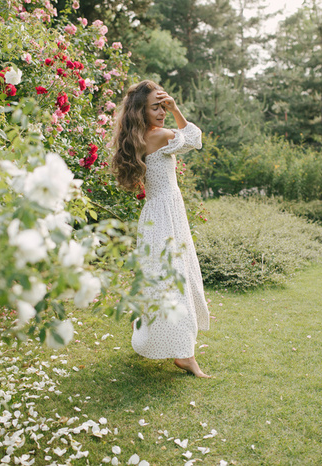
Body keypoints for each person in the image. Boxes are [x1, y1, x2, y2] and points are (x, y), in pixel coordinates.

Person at [111, 80, 211, 378]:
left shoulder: (142, 135)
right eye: (156, 106)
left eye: (164, 105)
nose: (163, 111)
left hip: (159, 214)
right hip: (165, 216)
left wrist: (169, 108)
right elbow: (194, 138)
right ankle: (185, 355)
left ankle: (162, 338)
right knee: (175, 278)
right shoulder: (159, 136)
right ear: (141, 110)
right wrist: (178, 108)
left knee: (161, 278)